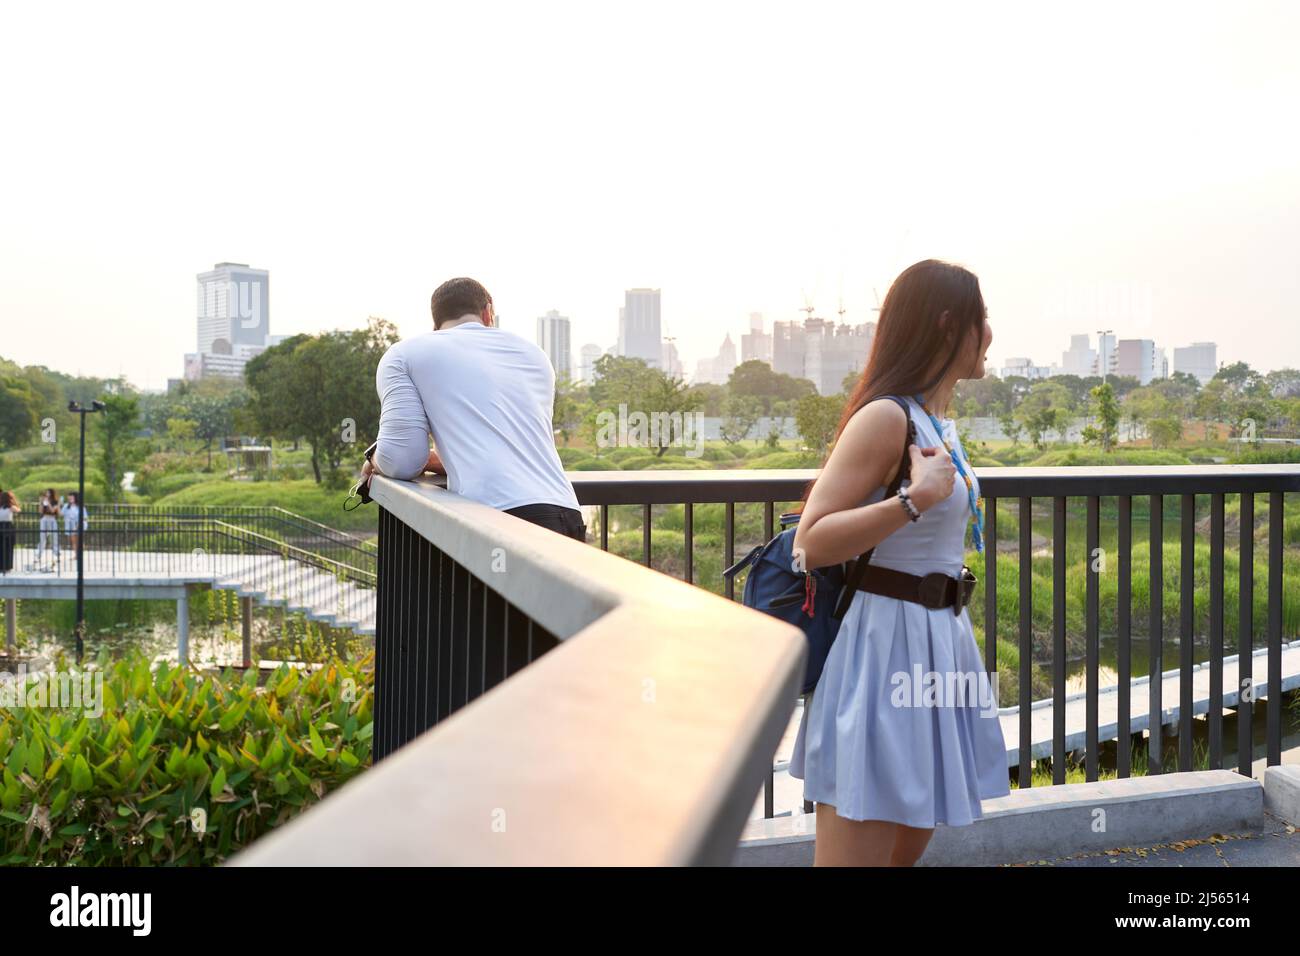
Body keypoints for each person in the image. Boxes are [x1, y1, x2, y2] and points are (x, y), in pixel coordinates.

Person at [788, 259, 1009, 866]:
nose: (989, 332)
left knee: (899, 857)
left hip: (939, 644)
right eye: (980, 318)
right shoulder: (887, 417)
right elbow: (812, 542)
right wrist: (915, 500)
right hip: (884, 648)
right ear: (947, 325)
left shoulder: (941, 424)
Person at [364, 277, 585, 541]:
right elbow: (511, 446)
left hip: (496, 519)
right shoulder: (532, 353)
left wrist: (374, 458)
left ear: (436, 323)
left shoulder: (404, 355)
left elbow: (401, 461)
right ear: (488, 312)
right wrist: (436, 460)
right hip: (566, 513)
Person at [35, 488, 60, 571]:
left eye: (48, 493)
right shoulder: (44, 501)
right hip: (44, 518)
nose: (47, 494)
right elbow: (40, 511)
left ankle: (56, 554)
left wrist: (48, 503)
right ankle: (38, 555)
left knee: (54, 537)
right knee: (42, 537)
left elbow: (53, 510)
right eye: (46, 493)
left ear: (52, 494)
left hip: (52, 519)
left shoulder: (56, 502)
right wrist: (41, 503)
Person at [0, 490, 18, 575]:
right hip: (8, 526)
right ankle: (7, 567)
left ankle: (1, 566)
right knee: (8, 548)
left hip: (0, 526)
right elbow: (18, 510)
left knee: (1, 548)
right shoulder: (10, 507)